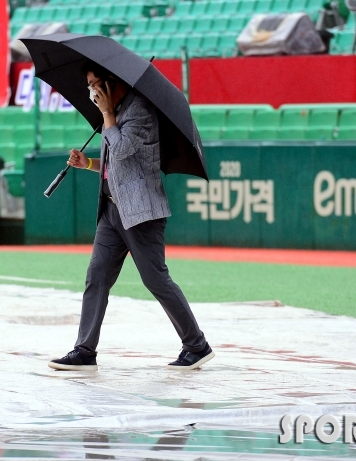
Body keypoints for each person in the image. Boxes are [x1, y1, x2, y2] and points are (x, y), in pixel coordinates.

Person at [48, 61, 214, 371]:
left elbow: (122, 149)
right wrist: (88, 164)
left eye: (96, 84)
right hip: (112, 211)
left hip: (141, 214)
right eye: (90, 85)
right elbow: (116, 165)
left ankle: (197, 345)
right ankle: (85, 350)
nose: (92, 92)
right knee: (96, 278)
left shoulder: (139, 111)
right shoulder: (114, 112)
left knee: (156, 280)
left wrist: (108, 114)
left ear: (113, 81)